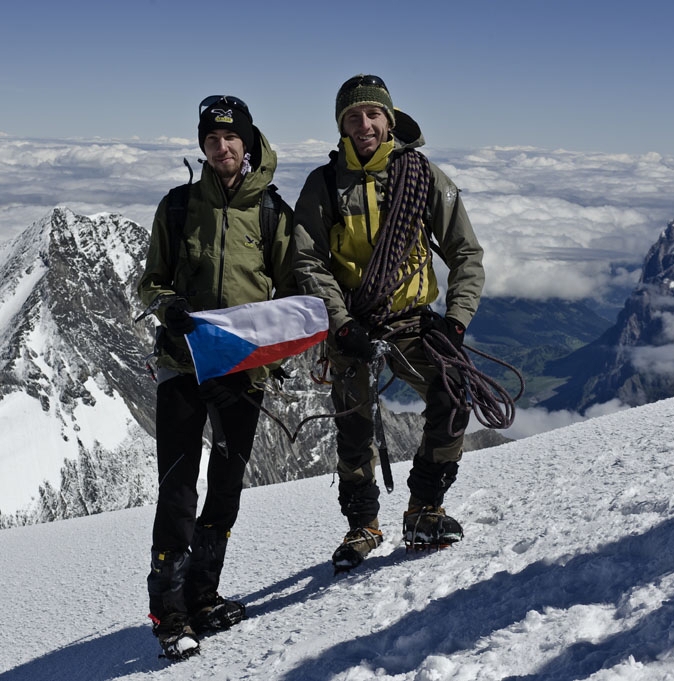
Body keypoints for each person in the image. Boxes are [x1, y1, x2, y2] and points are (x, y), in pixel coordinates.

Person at [291, 74, 485, 571]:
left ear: (389, 119)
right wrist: (340, 324)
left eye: (373, 114)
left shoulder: (423, 177)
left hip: (411, 320)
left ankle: (425, 505)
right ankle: (362, 525)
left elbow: (466, 253)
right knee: (354, 429)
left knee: (454, 393)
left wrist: (455, 322)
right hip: (352, 323)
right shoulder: (323, 185)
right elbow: (308, 261)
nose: (365, 125)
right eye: (353, 117)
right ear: (342, 125)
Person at [137, 95, 295, 660]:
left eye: (232, 138)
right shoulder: (178, 207)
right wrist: (168, 305)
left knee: (225, 488)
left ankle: (203, 595)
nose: (223, 147)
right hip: (182, 365)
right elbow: (149, 280)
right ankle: (169, 611)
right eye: (212, 139)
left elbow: (293, 286)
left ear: (248, 143)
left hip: (242, 372)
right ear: (203, 146)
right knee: (178, 490)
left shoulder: (273, 212)